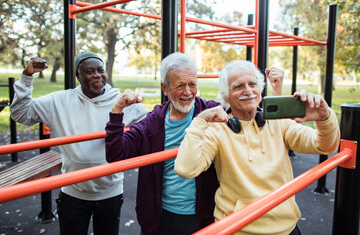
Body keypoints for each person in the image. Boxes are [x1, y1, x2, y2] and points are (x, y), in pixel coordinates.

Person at [105, 52, 284, 235]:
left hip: (204, 213)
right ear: (165, 89)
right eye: (180, 85)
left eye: (192, 84)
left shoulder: (213, 111)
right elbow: (116, 154)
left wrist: (276, 94)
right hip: (161, 215)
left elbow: (250, 115)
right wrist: (117, 111)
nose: (188, 92)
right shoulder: (152, 123)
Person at [174, 60, 340, 235]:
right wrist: (199, 122)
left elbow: (325, 146)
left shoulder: (279, 123)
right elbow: (186, 169)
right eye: (238, 86)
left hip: (285, 227)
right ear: (226, 96)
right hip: (237, 229)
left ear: (260, 90)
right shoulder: (217, 130)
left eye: (252, 84)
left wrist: (324, 118)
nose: (248, 90)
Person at [10, 52, 149, 235]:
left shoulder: (121, 101)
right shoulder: (59, 101)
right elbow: (20, 113)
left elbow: (153, 124)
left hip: (111, 191)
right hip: (73, 191)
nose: (97, 75)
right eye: (89, 71)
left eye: (100, 70)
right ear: (78, 76)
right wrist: (27, 77)